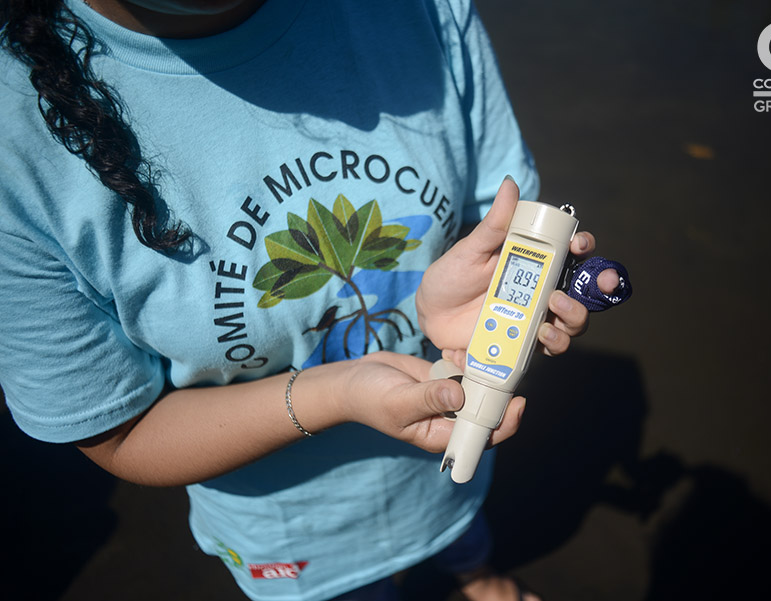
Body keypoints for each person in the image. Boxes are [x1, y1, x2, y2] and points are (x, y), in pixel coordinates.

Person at [0, 1, 623, 600]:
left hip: (448, 459)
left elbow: (496, 221)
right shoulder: (14, 145)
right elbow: (119, 433)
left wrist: (458, 295)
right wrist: (340, 393)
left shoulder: (421, 10)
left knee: (461, 530)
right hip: (289, 530)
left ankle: (473, 571)